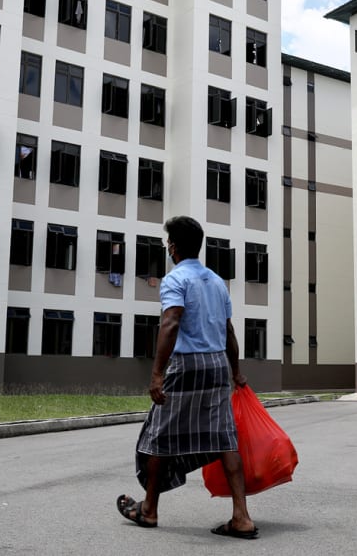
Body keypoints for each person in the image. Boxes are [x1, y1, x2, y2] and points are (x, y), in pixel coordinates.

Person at [116, 216, 257, 540]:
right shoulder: (217, 283)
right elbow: (229, 331)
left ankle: (149, 509)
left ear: (173, 247)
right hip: (217, 365)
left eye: (168, 243)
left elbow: (171, 323)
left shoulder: (175, 279)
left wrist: (157, 375)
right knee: (225, 439)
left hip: (186, 365)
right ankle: (241, 517)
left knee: (158, 437)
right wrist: (235, 372)